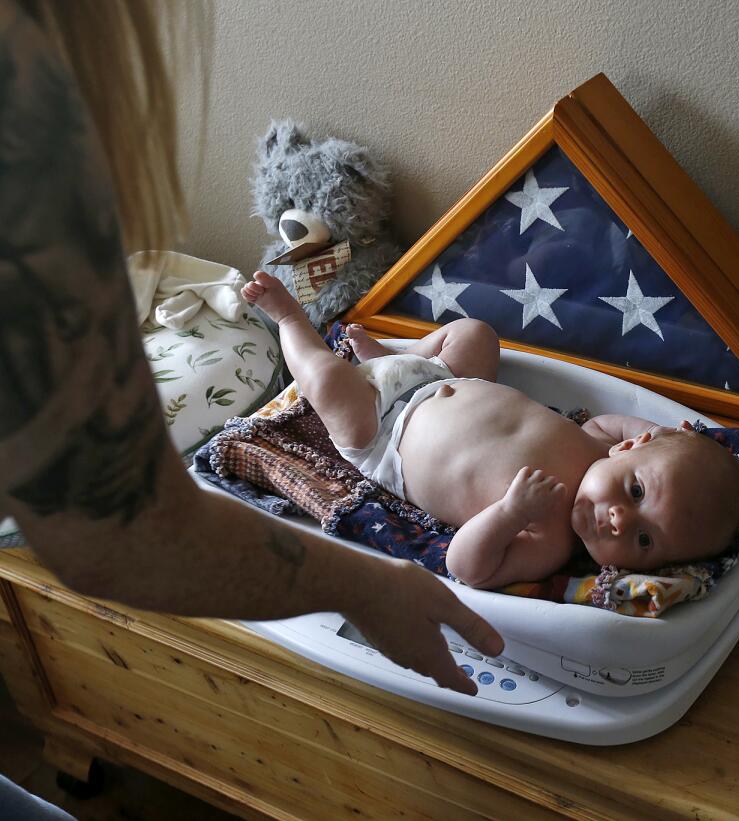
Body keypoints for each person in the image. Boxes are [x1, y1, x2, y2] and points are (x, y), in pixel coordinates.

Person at [0, 0, 501, 704]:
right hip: (383, 418)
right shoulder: (27, 122)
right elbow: (118, 529)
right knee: (332, 378)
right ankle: (303, 329)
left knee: (464, 337)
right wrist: (369, 586)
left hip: (415, 381)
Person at [242, 271, 739, 589]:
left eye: (642, 541)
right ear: (633, 446)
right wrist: (667, 431)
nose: (620, 520)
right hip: (440, 377)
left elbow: (467, 567)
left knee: (329, 382)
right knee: (476, 334)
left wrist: (509, 513)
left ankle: (289, 320)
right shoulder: (599, 439)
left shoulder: (547, 540)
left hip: (382, 435)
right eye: (636, 491)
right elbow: (623, 424)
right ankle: (397, 355)